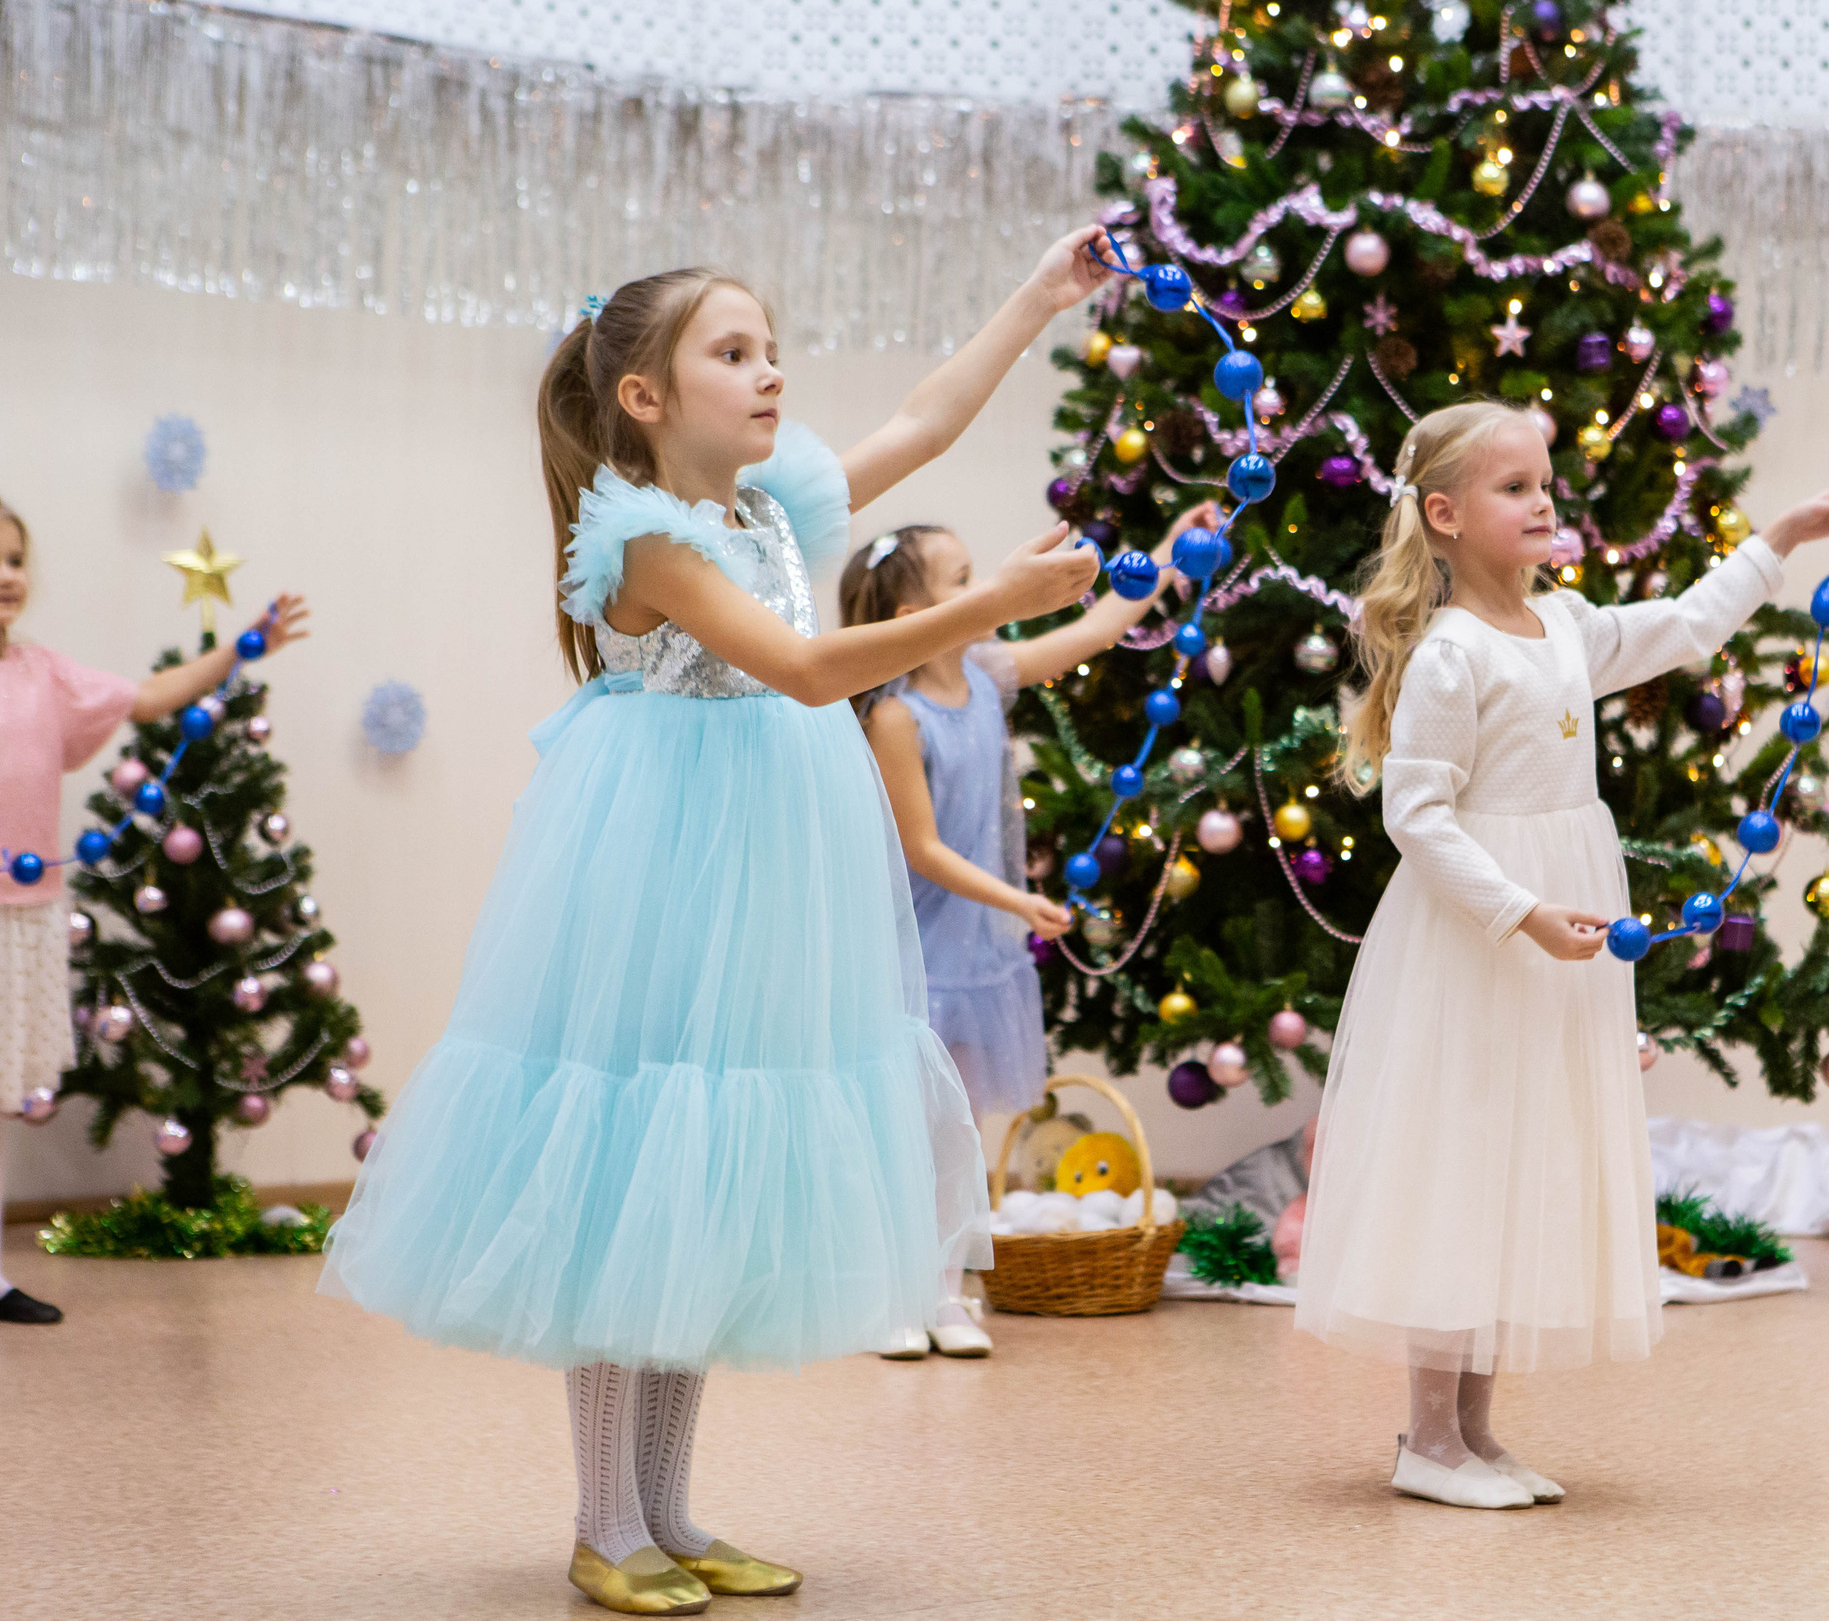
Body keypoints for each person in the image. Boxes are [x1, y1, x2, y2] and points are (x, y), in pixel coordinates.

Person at [318, 235, 1106, 1615]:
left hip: (764, 861)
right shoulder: (647, 535)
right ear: (642, 395)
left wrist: (1036, 298)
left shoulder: (770, 511)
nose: (770, 372)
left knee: (698, 1177)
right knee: (639, 1166)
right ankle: (602, 1520)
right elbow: (805, 669)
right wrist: (986, 606)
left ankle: (671, 1507)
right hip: (657, 862)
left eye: (770, 347)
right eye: (732, 352)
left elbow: (923, 421)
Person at [1290, 400, 1829, 1509]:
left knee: (1518, 1162)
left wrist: (1778, 539)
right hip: (1478, 937)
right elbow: (1416, 814)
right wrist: (1518, 912)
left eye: (1544, 480)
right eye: (1514, 487)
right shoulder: (1451, 657)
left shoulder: (1563, 627)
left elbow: (1689, 625)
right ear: (1445, 516)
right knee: (1464, 1162)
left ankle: (1475, 1434)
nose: (1543, 499)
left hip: (1555, 928)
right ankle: (1426, 1441)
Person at [841, 499, 1221, 1359]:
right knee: (908, 1127)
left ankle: (945, 1290)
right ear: (913, 617)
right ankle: (890, 1296)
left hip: (979, 955)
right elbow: (923, 846)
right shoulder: (895, 713)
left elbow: (1094, 632)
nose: (990, 590)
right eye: (966, 581)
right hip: (919, 954)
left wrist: (1165, 553)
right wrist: (1019, 902)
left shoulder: (985, 672)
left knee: (960, 1129)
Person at [0, 499, 308, 1326]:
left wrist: (242, 648)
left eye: (16, 559)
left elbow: (146, 697)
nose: (6, 576)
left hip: (22, 915)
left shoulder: (43, 675)